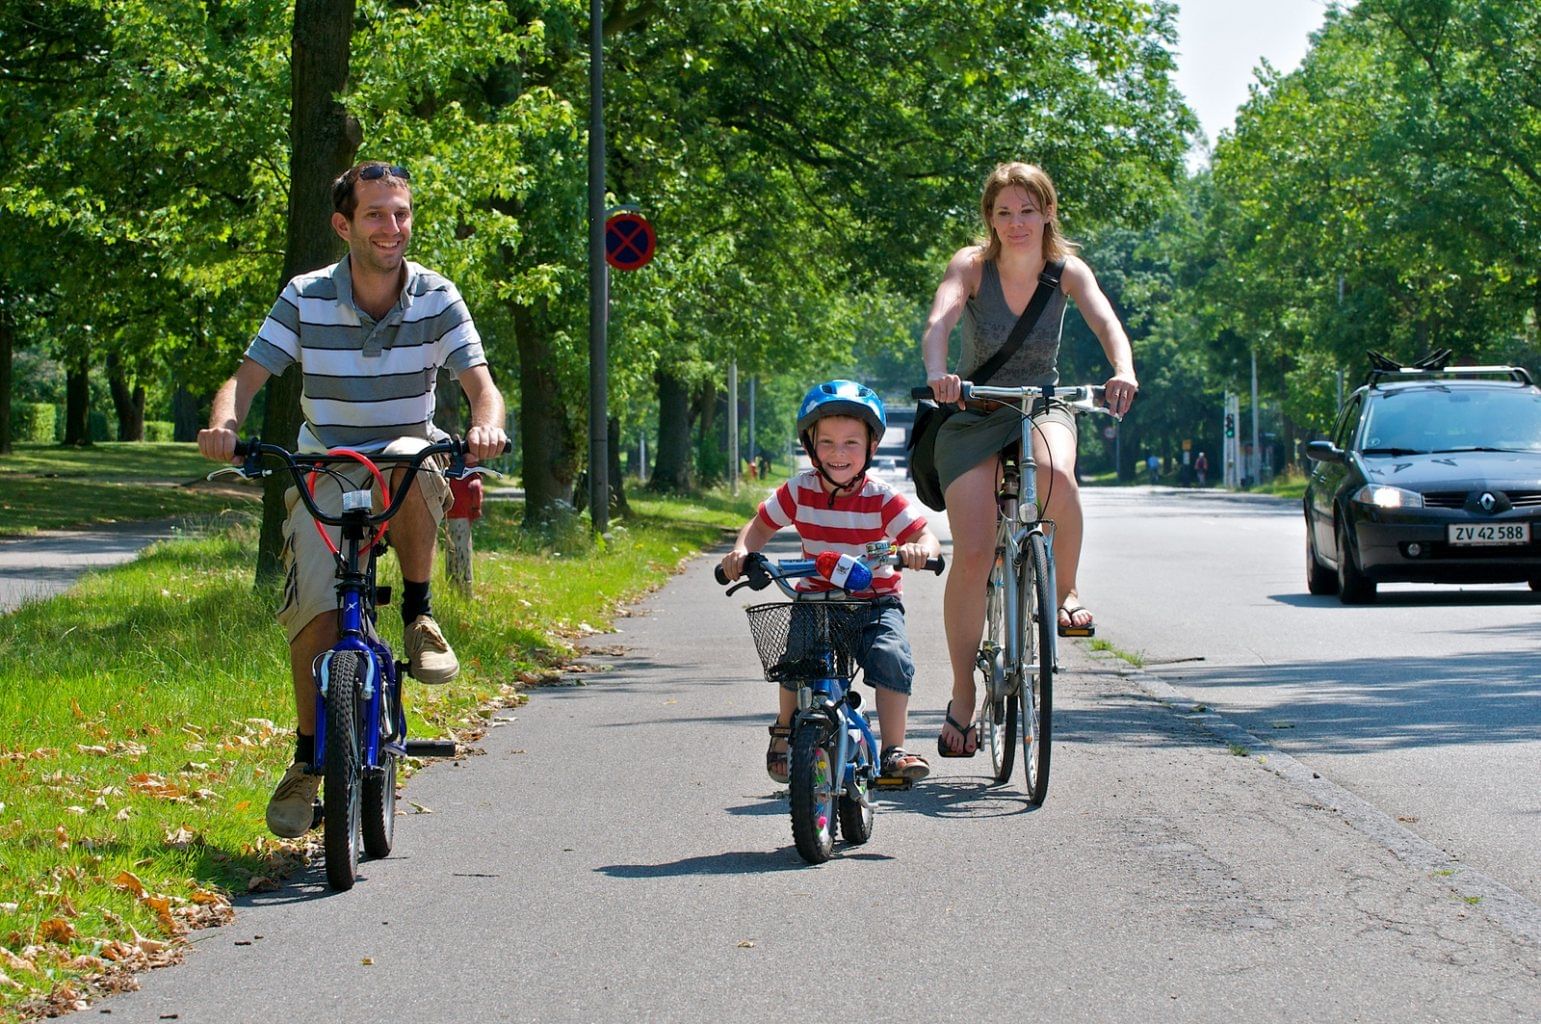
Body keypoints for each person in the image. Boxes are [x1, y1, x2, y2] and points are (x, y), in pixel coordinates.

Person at [198, 160, 508, 838]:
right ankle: (310, 756)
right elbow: (246, 377)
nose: (391, 227)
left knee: (408, 455)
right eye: (374, 214)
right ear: (344, 225)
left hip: (407, 461)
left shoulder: (436, 294)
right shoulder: (306, 295)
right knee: (313, 606)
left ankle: (419, 615)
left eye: (400, 213)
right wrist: (226, 425)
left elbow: (481, 384)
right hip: (326, 465)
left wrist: (487, 423)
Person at [922, 162, 1137, 757]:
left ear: (1048, 212)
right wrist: (939, 373)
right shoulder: (971, 266)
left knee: (1059, 475)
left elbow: (1105, 321)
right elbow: (940, 318)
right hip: (974, 409)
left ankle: (1063, 591)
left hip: (1042, 405)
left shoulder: (1067, 272)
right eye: (1003, 212)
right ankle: (964, 693)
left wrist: (1123, 369)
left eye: (1027, 210)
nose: (1016, 223)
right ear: (990, 219)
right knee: (971, 549)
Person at [720, 380, 942, 783]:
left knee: (891, 658)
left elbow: (923, 536)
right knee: (796, 661)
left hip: (875, 602)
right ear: (810, 446)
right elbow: (760, 525)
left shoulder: (882, 497)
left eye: (851, 443)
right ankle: (786, 727)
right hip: (816, 598)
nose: (839, 453)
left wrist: (919, 549)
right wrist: (741, 552)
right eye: (827, 443)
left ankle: (894, 749)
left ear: (872, 447)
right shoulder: (799, 491)